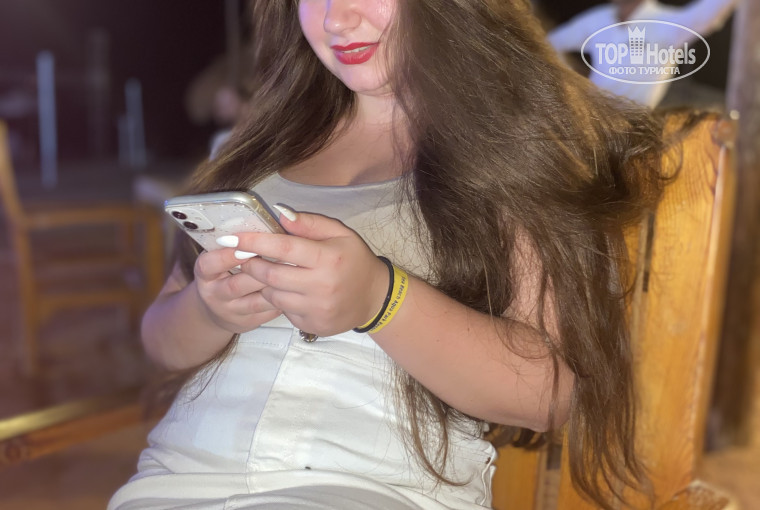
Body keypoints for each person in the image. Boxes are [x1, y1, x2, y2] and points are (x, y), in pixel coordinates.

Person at [110, 1, 685, 509]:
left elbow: (552, 390)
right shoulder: (259, 144)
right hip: (177, 479)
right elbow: (162, 339)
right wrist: (209, 310)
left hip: (371, 487)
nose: (337, 18)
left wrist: (381, 299)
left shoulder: (512, 148)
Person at [547, 0, 738, 107]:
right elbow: (552, 43)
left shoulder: (666, 24)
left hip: (632, 128)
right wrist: (572, 80)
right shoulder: (600, 18)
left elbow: (710, 12)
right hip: (589, 114)